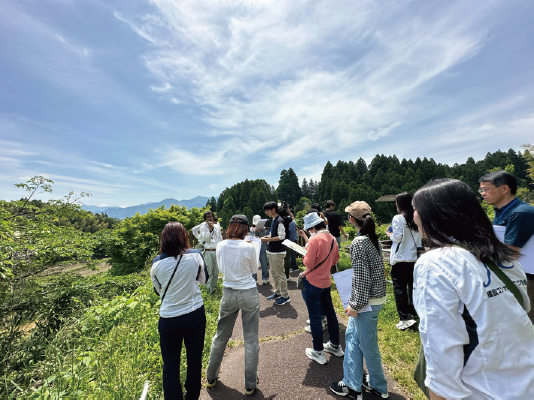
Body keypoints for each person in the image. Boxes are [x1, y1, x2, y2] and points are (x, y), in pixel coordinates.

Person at [412, 178, 534, 399]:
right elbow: (522, 310)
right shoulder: (503, 256)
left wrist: (439, 394)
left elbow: (440, 344)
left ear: (433, 215)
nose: (413, 216)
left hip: (481, 388)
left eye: (415, 209)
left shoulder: (436, 263)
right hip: (525, 380)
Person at [330, 201, 389, 399]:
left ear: (350, 219)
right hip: (375, 298)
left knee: (365, 344)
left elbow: (362, 277)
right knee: (354, 340)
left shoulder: (359, 242)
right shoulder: (373, 239)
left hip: (366, 302)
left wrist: (354, 305)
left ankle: (373, 386)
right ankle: (356, 384)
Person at [150, 222, 208, 399]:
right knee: (194, 359)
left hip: (168, 318)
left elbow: (158, 291)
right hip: (194, 313)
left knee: (170, 363)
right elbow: (204, 280)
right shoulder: (196, 256)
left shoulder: (156, 263)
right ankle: (192, 395)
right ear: (184, 236)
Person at [206, 215, 260, 395]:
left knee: (221, 335)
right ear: (245, 229)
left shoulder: (221, 245)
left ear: (229, 227)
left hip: (228, 292)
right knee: (251, 339)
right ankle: (250, 384)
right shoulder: (249, 246)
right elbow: (254, 269)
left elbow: (221, 269)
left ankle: (211, 377)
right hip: (248, 293)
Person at [479, 170, 534, 323]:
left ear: (504, 189)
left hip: (528, 277)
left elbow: (510, 250)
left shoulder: (521, 213)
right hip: (517, 273)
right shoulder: (502, 211)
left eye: (486, 189)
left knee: (528, 319)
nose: (482, 194)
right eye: (481, 190)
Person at [298, 212, 342, 364]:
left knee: (315, 317)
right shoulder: (332, 238)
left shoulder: (314, 239)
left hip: (313, 282)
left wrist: (304, 255)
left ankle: (318, 352)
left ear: (313, 227)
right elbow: (336, 259)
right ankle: (335, 345)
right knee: (330, 314)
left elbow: (309, 263)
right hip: (326, 281)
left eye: (309, 229)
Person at [386, 192, 422, 330]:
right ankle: (414, 311)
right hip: (414, 258)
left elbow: (397, 238)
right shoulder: (416, 216)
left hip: (400, 259)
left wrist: (390, 234)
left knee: (399, 289)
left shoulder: (398, 218)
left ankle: (405, 318)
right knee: (412, 288)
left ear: (399, 203)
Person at [262, 201, 291, 305]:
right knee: (274, 273)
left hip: (278, 252)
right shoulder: (274, 220)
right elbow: (274, 234)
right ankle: (278, 292)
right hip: (273, 251)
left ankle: (285, 295)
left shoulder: (279, 220)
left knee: (280, 274)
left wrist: (268, 240)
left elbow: (281, 236)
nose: (266, 213)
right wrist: (267, 238)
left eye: (267, 210)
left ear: (273, 209)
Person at [192, 210, 223, 293]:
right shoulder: (203, 227)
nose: (210, 218)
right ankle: (208, 289)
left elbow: (220, 238)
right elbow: (206, 238)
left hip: (217, 250)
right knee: (209, 271)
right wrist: (209, 230)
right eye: (208, 217)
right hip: (208, 251)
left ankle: (212, 288)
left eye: (211, 216)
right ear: (205, 218)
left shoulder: (217, 226)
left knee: (216, 271)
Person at [323, 200, 348, 273]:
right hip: (336, 235)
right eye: (333, 205)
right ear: (331, 206)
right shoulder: (335, 214)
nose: (333, 207)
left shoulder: (322, 214)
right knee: (336, 252)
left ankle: (326, 268)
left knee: (326, 252)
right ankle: (335, 268)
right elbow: (339, 225)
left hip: (325, 236)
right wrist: (344, 234)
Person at [252, 214, 269, 284]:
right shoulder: (251, 229)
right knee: (254, 263)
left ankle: (265, 278)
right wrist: (255, 232)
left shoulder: (263, 229)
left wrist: (259, 232)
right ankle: (254, 278)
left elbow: (263, 237)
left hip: (262, 245)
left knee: (264, 263)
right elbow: (251, 237)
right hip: (254, 246)